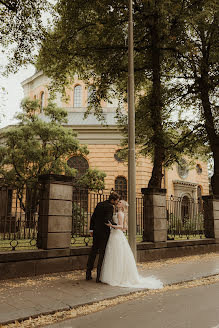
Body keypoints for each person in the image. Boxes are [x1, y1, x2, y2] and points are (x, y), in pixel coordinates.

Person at [100, 200, 163, 289]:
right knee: (115, 255)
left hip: (116, 235)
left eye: (120, 202)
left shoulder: (120, 214)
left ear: (122, 206)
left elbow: (121, 226)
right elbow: (125, 228)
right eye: (118, 202)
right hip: (116, 235)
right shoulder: (121, 213)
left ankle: (115, 277)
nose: (118, 203)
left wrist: (111, 225)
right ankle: (116, 276)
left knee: (116, 255)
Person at [86, 191, 120, 282]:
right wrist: (115, 224)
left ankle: (88, 274)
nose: (117, 202)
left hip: (96, 231)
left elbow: (93, 217)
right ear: (112, 200)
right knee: (102, 254)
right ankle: (99, 277)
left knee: (93, 252)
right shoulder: (110, 206)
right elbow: (107, 220)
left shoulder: (99, 204)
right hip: (104, 233)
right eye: (117, 201)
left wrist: (91, 229)